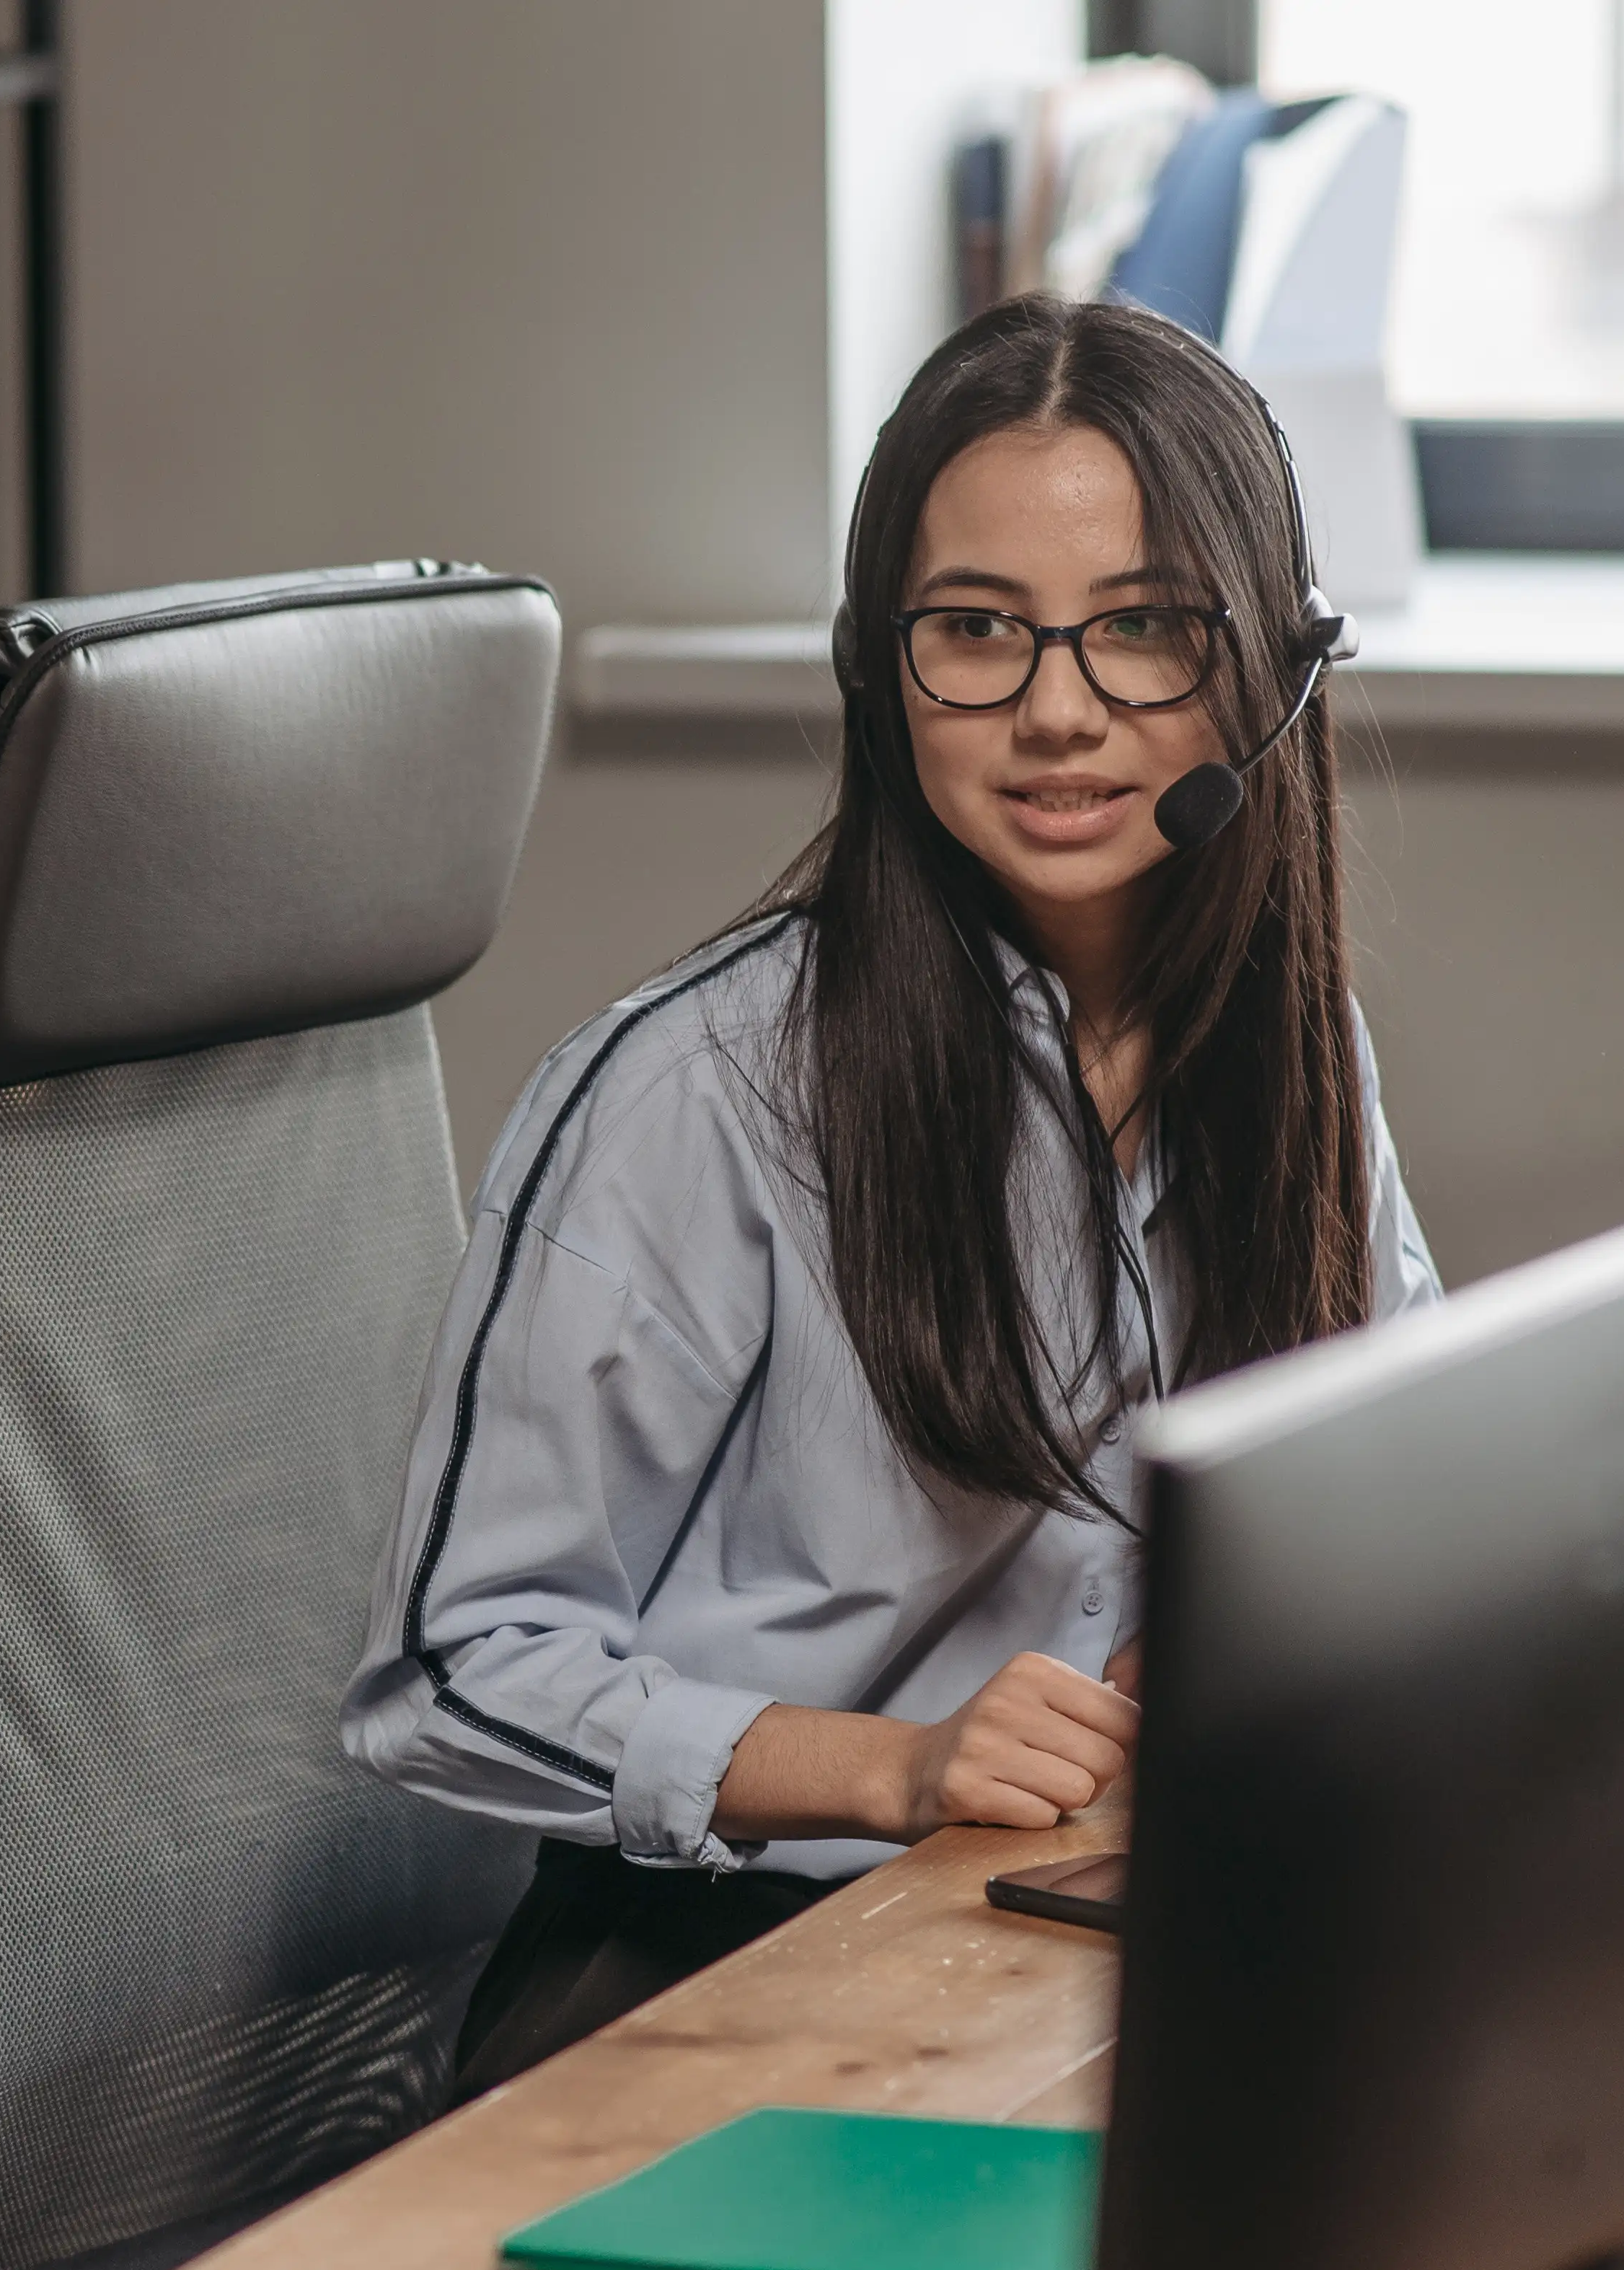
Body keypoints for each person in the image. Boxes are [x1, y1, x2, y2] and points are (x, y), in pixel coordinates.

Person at [346, 296, 1439, 2093]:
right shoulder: (694, 1097)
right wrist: (896, 1765)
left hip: (1059, 1950)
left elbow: (1402, 1468)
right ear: (882, 666)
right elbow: (450, 1673)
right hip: (712, 1989)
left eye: (1144, 633)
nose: (1058, 713)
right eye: (976, 634)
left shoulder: (1290, 1057)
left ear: (1268, 670)